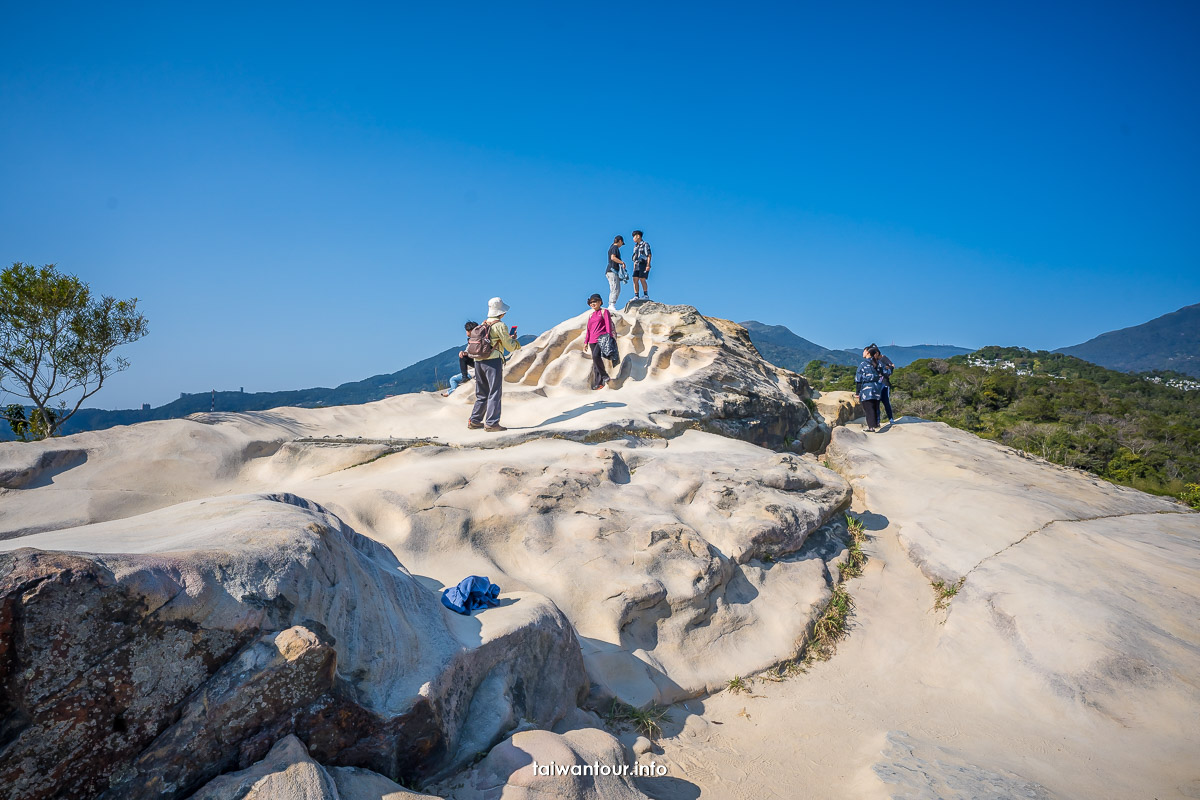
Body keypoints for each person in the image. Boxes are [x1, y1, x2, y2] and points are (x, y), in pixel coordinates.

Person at [467, 298, 521, 432]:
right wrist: (515, 342)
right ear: (501, 313)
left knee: (482, 392)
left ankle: (474, 420)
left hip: (478, 361)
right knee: (494, 392)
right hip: (493, 361)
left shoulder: (482, 324)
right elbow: (509, 346)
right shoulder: (500, 326)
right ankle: (491, 423)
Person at [585, 293, 616, 390]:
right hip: (592, 340)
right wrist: (586, 342)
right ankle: (599, 383)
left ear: (600, 302)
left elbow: (608, 325)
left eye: (594, 301)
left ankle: (604, 376)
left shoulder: (604, 312)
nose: (592, 304)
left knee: (595, 356)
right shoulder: (591, 315)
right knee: (595, 362)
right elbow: (588, 329)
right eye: (591, 302)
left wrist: (609, 337)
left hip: (601, 339)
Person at [442, 321, 478, 396]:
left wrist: (466, 354)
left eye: (466, 330)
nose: (465, 332)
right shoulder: (474, 340)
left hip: (478, 367)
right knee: (463, 355)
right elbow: (468, 351)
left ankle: (454, 388)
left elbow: (476, 353)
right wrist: (465, 352)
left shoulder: (476, 340)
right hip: (477, 366)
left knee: (453, 379)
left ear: (470, 331)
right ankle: (462, 380)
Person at [855, 347, 886, 432]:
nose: (863, 352)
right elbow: (886, 373)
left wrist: (857, 392)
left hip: (866, 389)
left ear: (868, 353)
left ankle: (871, 427)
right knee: (876, 406)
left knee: (868, 408)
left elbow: (858, 379)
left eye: (864, 351)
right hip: (877, 388)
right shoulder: (879, 363)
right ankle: (877, 423)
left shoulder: (863, 364)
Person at [869, 344, 897, 424]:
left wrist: (887, 368)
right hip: (877, 384)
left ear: (877, 353)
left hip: (884, 383)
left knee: (886, 402)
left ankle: (891, 419)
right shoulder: (873, 360)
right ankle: (877, 421)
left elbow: (892, 366)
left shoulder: (883, 358)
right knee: (877, 403)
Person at [606, 235, 626, 311]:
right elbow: (613, 257)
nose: (621, 245)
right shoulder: (615, 247)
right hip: (612, 270)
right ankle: (611, 304)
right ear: (620, 241)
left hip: (610, 271)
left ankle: (611, 304)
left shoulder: (611, 247)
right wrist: (622, 262)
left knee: (616, 288)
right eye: (621, 243)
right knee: (615, 288)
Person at [631, 230, 652, 301]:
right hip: (637, 264)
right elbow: (635, 256)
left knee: (642, 279)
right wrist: (634, 265)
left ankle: (646, 295)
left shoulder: (645, 244)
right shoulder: (635, 246)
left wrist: (648, 265)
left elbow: (649, 255)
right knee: (635, 279)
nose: (633, 238)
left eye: (634, 236)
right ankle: (636, 295)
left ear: (638, 236)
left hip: (643, 263)